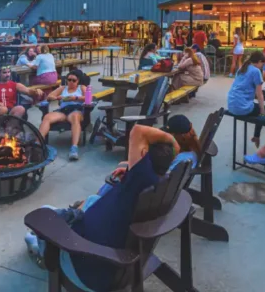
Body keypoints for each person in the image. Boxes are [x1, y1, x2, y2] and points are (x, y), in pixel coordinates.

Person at [25, 124, 178, 291]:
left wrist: (171, 140)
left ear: (143, 154)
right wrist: (129, 171)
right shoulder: (154, 182)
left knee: (45, 215)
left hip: (86, 269)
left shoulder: (140, 175)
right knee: (92, 200)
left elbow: (138, 131)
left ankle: (40, 251)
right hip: (115, 256)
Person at [227, 51, 265, 148]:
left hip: (232, 104)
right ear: (259, 61)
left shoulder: (242, 68)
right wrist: (263, 111)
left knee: (259, 109)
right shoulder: (256, 71)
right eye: (262, 64)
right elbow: (259, 94)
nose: (262, 67)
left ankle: (257, 136)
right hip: (242, 106)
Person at [39, 70, 87, 161]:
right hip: (63, 111)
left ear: (78, 81)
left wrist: (75, 98)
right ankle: (38, 143)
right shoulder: (63, 88)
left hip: (76, 109)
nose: (71, 82)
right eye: (69, 80)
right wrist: (57, 97)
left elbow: (89, 98)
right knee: (47, 117)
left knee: (75, 117)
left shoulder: (81, 88)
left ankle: (74, 148)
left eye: (74, 80)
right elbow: (49, 96)